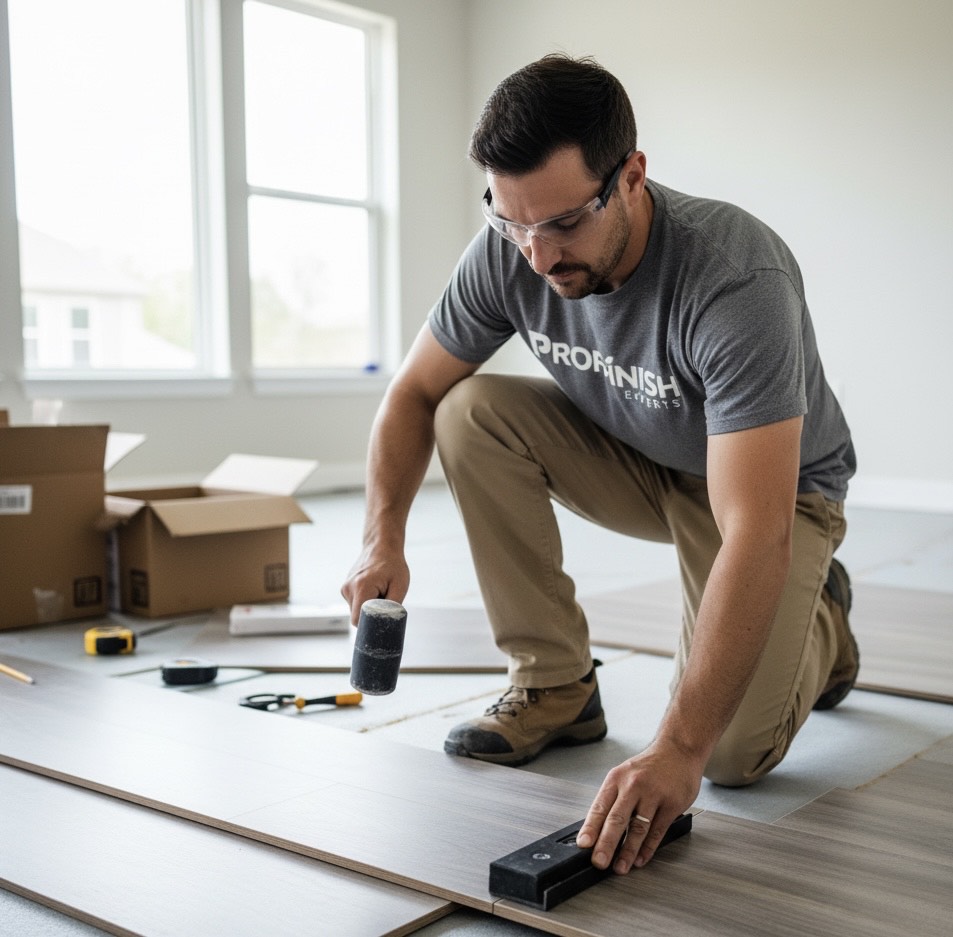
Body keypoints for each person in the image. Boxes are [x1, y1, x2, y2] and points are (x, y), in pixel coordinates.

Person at [342, 53, 857, 877]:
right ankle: (554, 685)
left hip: (770, 495)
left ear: (631, 177)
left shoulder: (734, 277)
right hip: (638, 454)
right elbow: (410, 394)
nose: (538, 257)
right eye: (513, 223)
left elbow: (753, 531)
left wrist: (677, 746)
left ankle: (822, 626)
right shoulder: (509, 250)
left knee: (726, 756)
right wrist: (381, 538)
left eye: (563, 224)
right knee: (468, 409)